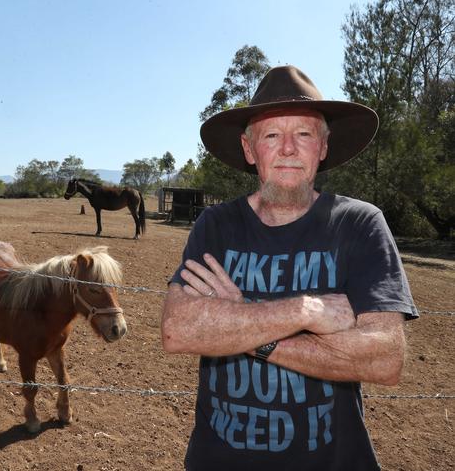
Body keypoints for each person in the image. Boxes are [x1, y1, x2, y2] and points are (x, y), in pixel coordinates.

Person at [161, 65, 418, 471]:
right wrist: (305, 312)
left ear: (323, 146)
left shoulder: (360, 224)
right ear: (250, 150)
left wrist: (246, 327)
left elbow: (384, 359)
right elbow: (179, 329)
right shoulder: (217, 226)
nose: (287, 149)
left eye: (303, 134)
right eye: (271, 135)